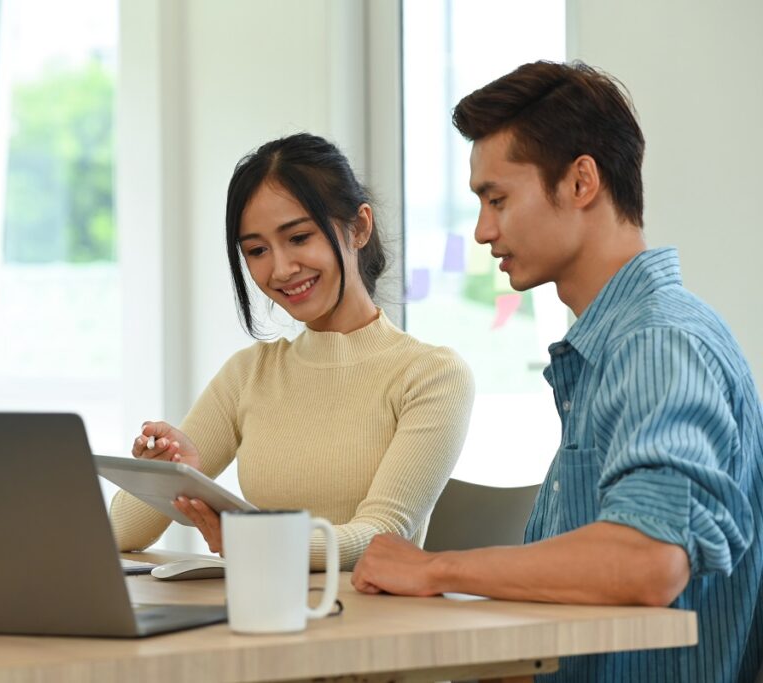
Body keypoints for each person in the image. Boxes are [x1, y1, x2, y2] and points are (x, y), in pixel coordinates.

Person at [351, 60, 763, 681]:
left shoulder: (657, 345)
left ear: (581, 182)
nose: (485, 231)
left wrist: (435, 569)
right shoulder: (616, 346)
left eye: (497, 199)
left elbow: (647, 561)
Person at [110, 133, 474, 570]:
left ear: (358, 228)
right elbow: (122, 533)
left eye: (299, 237)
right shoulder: (248, 374)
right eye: (258, 250)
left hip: (372, 625)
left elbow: (379, 536)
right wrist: (174, 477)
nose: (280, 269)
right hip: (264, 613)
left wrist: (253, 538)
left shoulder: (431, 374)